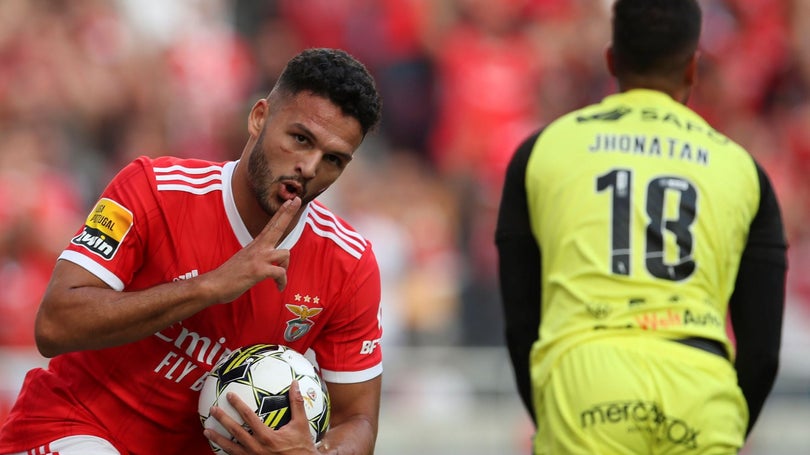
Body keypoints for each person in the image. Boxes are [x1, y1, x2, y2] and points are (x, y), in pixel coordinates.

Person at [0, 48, 384, 455]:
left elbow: (356, 419)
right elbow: (54, 325)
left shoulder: (349, 265)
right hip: (72, 425)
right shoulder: (153, 189)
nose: (309, 167)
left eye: (333, 160)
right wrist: (210, 286)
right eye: (300, 139)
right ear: (259, 118)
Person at [495, 1, 787, 453]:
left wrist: (553, 407)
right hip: (699, 384)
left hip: (585, 375)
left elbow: (520, 321)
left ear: (612, 59)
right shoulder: (743, 168)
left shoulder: (543, 149)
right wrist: (724, 418)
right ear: (693, 67)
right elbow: (763, 350)